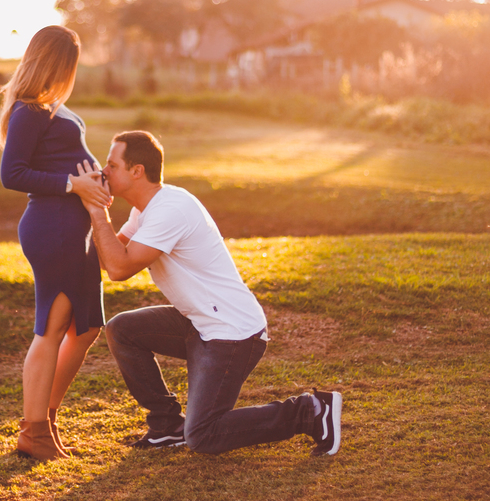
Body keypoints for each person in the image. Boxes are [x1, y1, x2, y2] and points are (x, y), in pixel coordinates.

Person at [75, 131, 342, 456]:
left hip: (232, 334)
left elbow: (119, 269)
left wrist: (96, 211)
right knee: (122, 329)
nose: (104, 172)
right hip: (200, 322)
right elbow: (111, 256)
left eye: (111, 165)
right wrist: (87, 210)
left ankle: (310, 411)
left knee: (203, 435)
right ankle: (166, 426)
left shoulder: (170, 210)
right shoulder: (145, 210)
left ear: (137, 171)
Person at [0, 26, 111, 461]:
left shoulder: (49, 108)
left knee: (87, 328)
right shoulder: (28, 111)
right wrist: (73, 184)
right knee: (53, 327)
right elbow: (13, 174)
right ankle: (35, 431)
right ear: (56, 62)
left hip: (74, 227)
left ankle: (45, 417)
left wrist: (94, 183)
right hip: (54, 226)